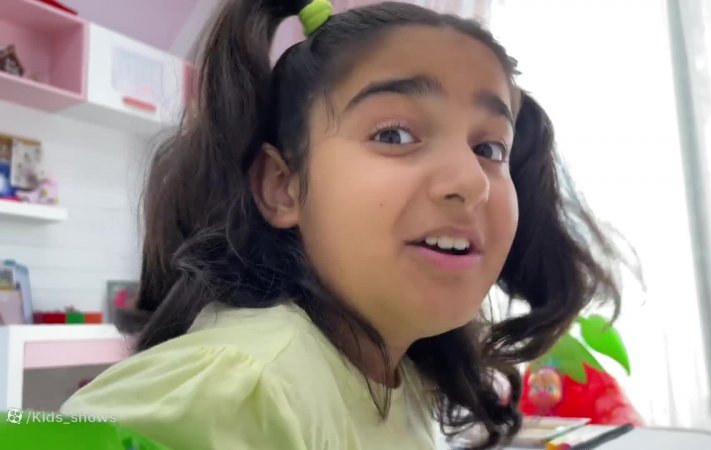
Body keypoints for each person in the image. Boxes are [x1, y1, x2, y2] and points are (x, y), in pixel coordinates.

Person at [61, 0, 623, 449]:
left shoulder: (402, 377)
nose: (471, 180)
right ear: (283, 186)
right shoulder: (240, 383)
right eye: (395, 135)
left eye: (489, 148)